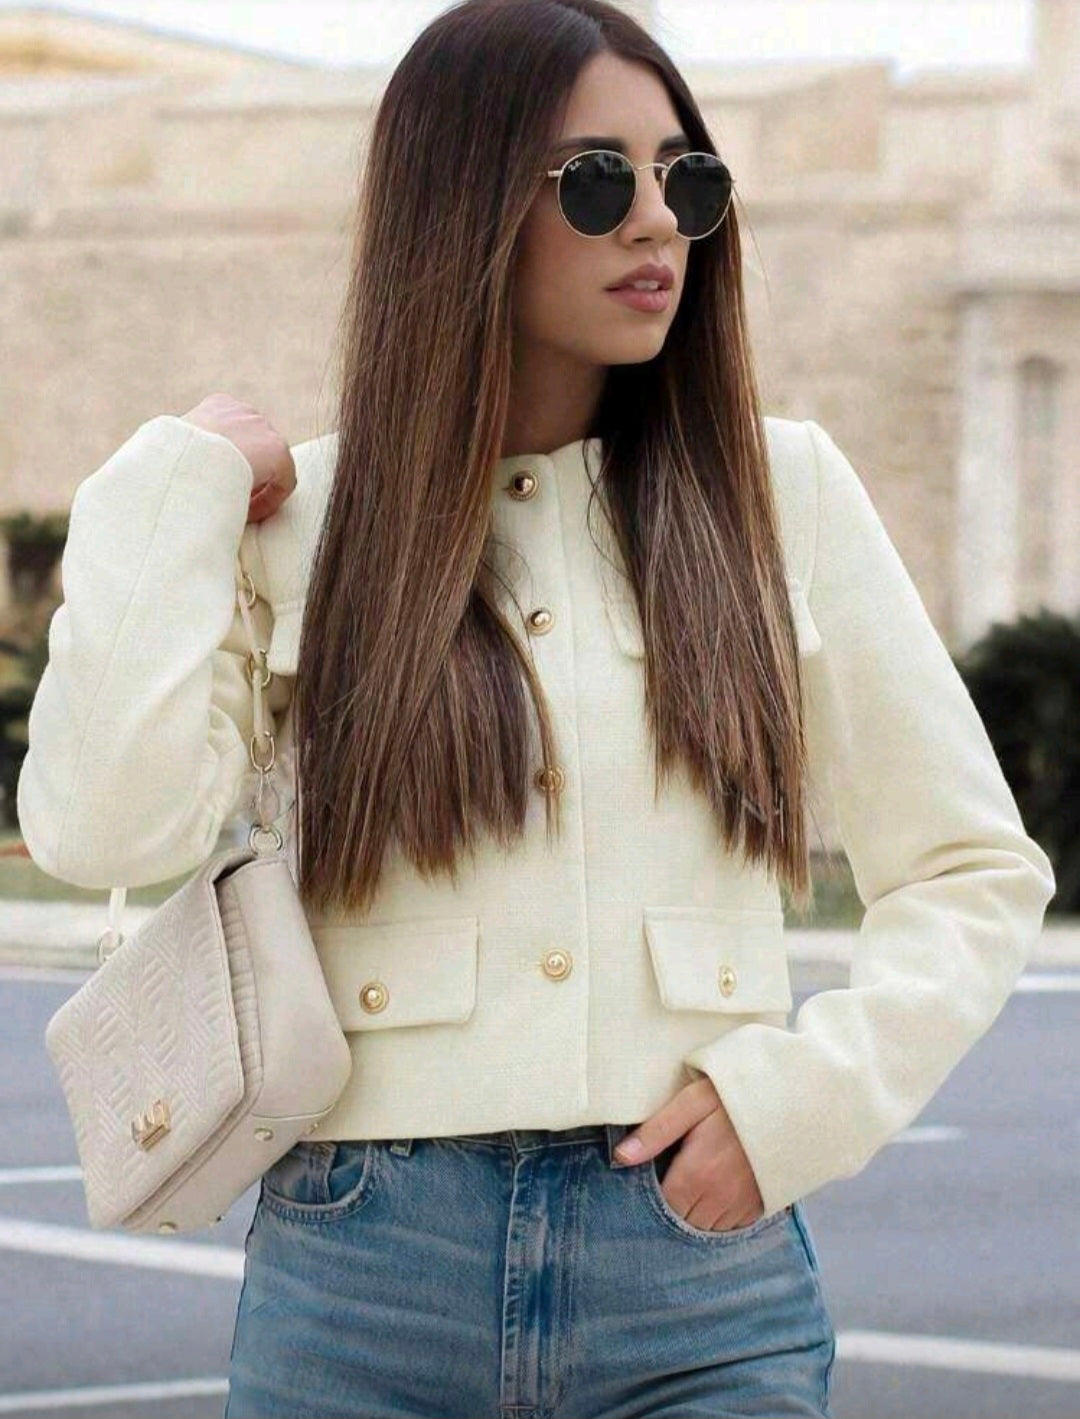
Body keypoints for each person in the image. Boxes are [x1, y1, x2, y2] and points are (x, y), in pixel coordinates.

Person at [16, 1, 1056, 1416]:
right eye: (598, 181)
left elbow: (972, 867)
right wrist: (169, 490)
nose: (658, 222)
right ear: (462, 204)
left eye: (688, 179)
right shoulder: (298, 522)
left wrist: (804, 1104)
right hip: (362, 1279)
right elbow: (100, 831)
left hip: (696, 1279)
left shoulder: (783, 495)